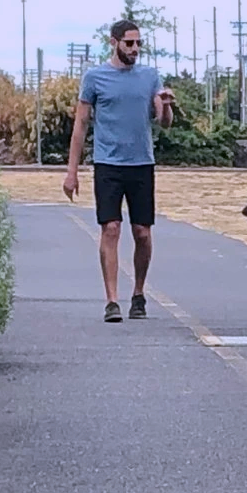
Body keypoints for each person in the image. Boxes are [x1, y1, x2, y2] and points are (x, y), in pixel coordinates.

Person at [63, 18, 175, 322]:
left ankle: (138, 294)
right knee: (110, 228)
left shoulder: (150, 76)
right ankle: (111, 300)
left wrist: (166, 105)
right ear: (114, 43)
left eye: (139, 43)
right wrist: (71, 171)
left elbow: (164, 122)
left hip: (141, 163)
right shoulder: (95, 78)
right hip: (108, 163)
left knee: (142, 232)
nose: (135, 48)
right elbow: (81, 125)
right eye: (129, 43)